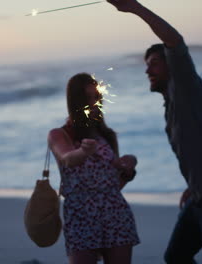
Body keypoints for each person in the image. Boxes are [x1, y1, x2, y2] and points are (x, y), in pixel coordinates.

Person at [107, 1, 202, 263]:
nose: (148, 70)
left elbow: (175, 40)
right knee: (176, 257)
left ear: (172, 65)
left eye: (154, 63)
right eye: (146, 65)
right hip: (200, 196)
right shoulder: (173, 104)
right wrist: (192, 185)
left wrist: (134, 7)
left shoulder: (184, 85)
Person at [48, 73, 140, 264]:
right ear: (75, 102)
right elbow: (66, 159)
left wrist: (129, 167)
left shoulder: (107, 135)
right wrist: (83, 152)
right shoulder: (59, 134)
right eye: (88, 98)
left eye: (97, 98)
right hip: (80, 216)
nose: (94, 103)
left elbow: (115, 185)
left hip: (115, 212)